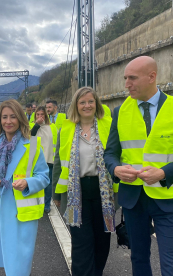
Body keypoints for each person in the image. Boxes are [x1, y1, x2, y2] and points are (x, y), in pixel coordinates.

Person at [104, 56, 173, 276]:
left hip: (170, 200)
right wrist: (116, 169)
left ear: (152, 77)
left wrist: (164, 173)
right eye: (125, 78)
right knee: (138, 259)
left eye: (132, 78)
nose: (127, 84)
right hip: (133, 199)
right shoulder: (120, 112)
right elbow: (110, 154)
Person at [53, 87, 114, 276]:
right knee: (81, 242)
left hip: (104, 193)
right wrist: (55, 193)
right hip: (75, 193)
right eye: (82, 102)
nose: (87, 105)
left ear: (96, 103)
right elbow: (58, 160)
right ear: (76, 106)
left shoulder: (109, 125)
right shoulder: (67, 129)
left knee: (102, 241)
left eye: (90, 101)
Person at [0, 99, 49, 276]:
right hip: (0, 210)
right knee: (8, 259)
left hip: (22, 212)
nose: (8, 121)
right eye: (4, 117)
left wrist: (28, 183)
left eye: (13, 116)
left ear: (20, 118)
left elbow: (44, 176)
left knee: (20, 260)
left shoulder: (33, 144)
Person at [30, 106, 57, 213]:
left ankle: (46, 204)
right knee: (36, 182)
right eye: (38, 114)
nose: (40, 116)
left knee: (48, 183)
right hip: (36, 160)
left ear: (46, 115)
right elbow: (30, 136)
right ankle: (37, 203)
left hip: (49, 159)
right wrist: (37, 124)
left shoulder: (52, 127)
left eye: (42, 114)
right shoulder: (32, 125)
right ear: (35, 115)